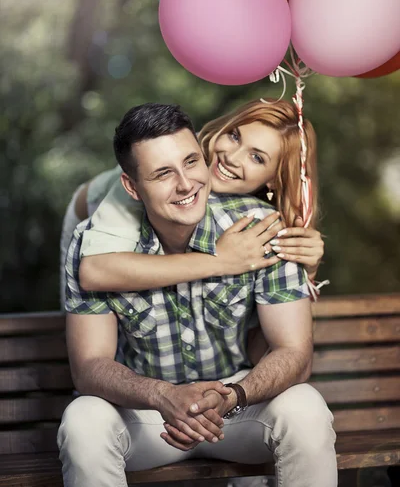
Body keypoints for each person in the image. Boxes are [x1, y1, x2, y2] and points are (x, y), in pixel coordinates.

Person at [58, 103, 337, 487]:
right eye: (162, 173)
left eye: (191, 163)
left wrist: (235, 394)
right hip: (149, 416)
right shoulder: (98, 237)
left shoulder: (261, 230)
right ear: (132, 187)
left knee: (305, 406)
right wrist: (161, 395)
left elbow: (293, 352)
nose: (186, 183)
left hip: (237, 411)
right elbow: (89, 364)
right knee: (82, 418)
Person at [60, 99, 324, 309]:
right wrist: (221, 260)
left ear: (275, 182)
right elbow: (95, 272)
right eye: (234, 136)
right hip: (90, 208)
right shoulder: (163, 164)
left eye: (256, 157)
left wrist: (307, 268)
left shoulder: (261, 214)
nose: (232, 157)